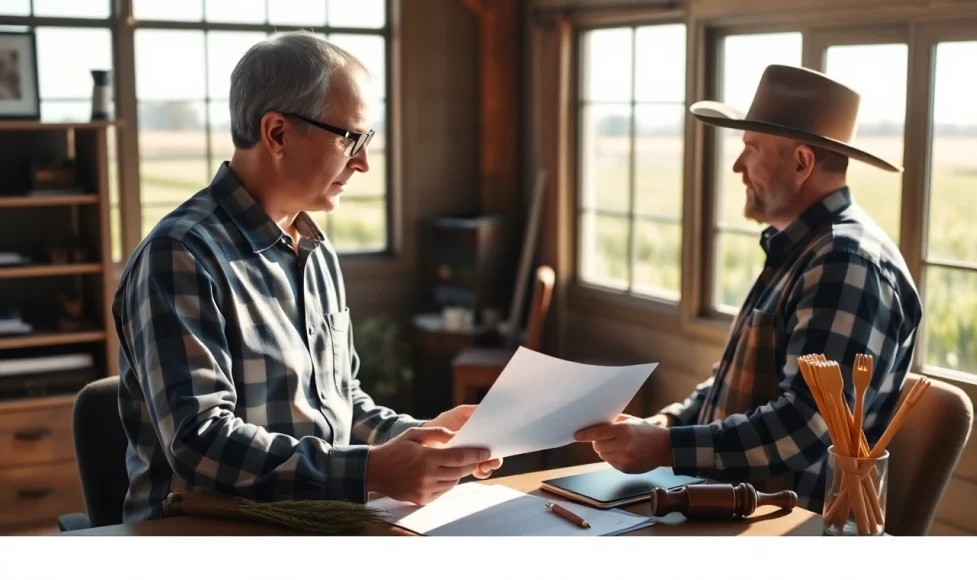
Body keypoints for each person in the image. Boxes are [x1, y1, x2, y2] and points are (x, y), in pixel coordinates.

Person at [112, 32, 500, 523]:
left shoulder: (314, 248)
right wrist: (371, 472)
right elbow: (200, 442)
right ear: (276, 133)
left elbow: (338, 402)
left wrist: (423, 437)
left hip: (318, 522)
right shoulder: (180, 255)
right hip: (207, 535)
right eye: (350, 138)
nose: (361, 162)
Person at [574, 65, 923, 514]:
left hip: (786, 527)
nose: (738, 166)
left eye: (751, 149)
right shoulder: (803, 250)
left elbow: (804, 428)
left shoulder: (845, 263)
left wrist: (666, 447)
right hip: (733, 508)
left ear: (801, 163)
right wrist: (668, 424)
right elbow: (730, 384)